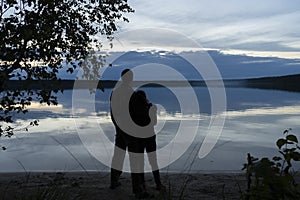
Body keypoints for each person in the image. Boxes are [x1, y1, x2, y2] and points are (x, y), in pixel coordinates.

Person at [109, 69, 147, 197]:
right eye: (130, 76)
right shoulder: (130, 93)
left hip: (121, 130)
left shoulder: (117, 92)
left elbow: (113, 114)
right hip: (128, 131)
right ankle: (137, 190)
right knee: (134, 159)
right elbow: (134, 113)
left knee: (118, 157)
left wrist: (117, 128)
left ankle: (114, 181)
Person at [130, 90, 165, 191]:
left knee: (141, 162)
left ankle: (143, 184)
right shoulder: (149, 108)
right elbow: (154, 123)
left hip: (139, 138)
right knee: (153, 161)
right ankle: (158, 183)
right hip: (149, 137)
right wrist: (152, 111)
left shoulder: (133, 111)